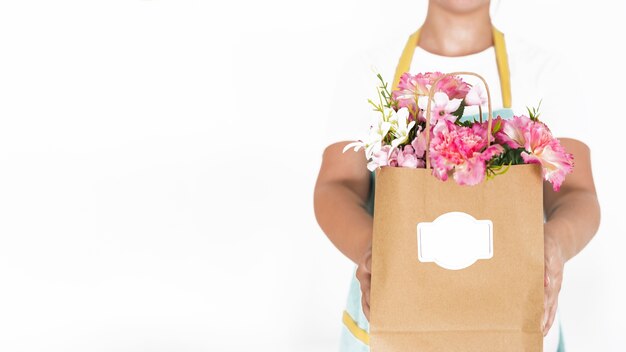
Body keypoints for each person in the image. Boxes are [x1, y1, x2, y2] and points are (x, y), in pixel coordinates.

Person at [313, 0, 601, 351]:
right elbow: (336, 187)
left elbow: (577, 194)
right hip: (398, 312)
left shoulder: (545, 73)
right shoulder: (370, 70)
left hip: (510, 317)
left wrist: (554, 246)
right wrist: (375, 254)